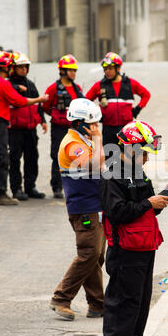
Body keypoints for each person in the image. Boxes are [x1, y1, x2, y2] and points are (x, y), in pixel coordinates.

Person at [100, 120, 168, 336]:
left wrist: (161, 202)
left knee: (139, 303)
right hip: (125, 251)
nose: (146, 157)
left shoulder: (137, 172)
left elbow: (146, 208)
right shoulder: (113, 173)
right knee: (122, 305)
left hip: (144, 247)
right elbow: (118, 212)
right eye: (143, 151)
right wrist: (148, 202)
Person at [50, 98, 106, 320]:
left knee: (96, 256)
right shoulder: (72, 144)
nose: (96, 127)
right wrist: (99, 139)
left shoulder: (83, 139)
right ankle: (61, 298)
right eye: (93, 124)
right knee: (88, 254)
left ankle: (97, 304)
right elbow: (93, 163)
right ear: (79, 122)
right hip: (83, 208)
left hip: (94, 205)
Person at [0, 51, 48, 205]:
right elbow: (19, 101)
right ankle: (0, 194)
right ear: (7, 67)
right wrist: (40, 99)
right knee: (0, 158)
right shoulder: (3, 83)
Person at [86, 52, 151, 152]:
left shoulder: (130, 83)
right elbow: (86, 101)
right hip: (108, 129)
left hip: (127, 129)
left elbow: (146, 95)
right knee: (110, 159)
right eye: (105, 69)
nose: (107, 71)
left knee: (128, 158)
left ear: (118, 68)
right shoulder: (99, 85)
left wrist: (137, 109)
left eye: (110, 68)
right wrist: (95, 115)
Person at [43, 54, 85, 198]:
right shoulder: (53, 88)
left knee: (77, 156)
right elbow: (46, 106)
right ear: (62, 71)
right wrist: (57, 117)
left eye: (74, 70)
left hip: (75, 129)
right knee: (57, 156)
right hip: (59, 128)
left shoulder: (77, 88)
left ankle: (74, 185)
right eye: (70, 70)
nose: (73, 73)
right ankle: (57, 186)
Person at [8, 52, 47, 200]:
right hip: (15, 130)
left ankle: (30, 187)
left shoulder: (30, 84)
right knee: (15, 159)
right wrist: (16, 89)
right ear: (13, 68)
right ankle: (16, 189)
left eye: (25, 67)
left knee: (32, 158)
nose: (23, 69)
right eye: (20, 67)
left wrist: (42, 120)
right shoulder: (8, 85)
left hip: (30, 129)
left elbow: (38, 104)